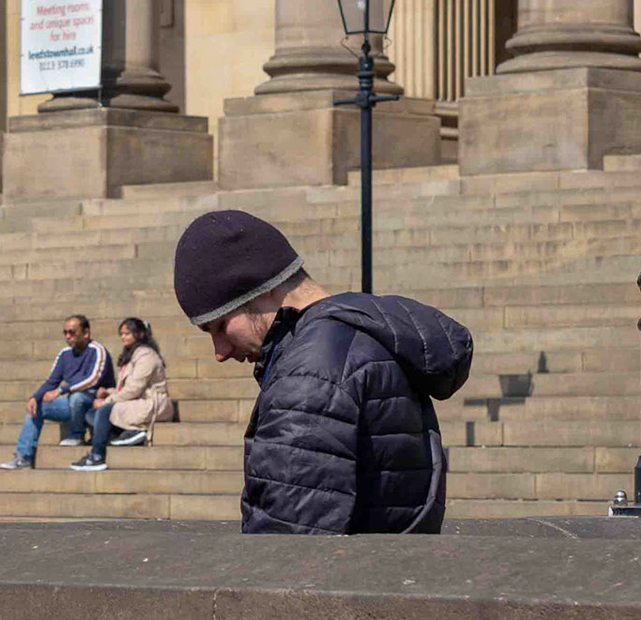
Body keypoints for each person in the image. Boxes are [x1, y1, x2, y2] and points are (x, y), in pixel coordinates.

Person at [173, 209, 473, 533]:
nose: (220, 352)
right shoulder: (363, 339)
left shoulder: (311, 374)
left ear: (259, 289)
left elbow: (286, 546)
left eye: (219, 326)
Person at [0, 314, 114, 468]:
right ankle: (24, 456)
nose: (68, 336)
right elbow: (51, 380)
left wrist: (61, 390)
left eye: (72, 332)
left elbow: (92, 379)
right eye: (65, 332)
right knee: (37, 408)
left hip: (93, 403)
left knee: (77, 398)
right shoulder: (64, 354)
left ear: (86, 333)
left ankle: (77, 435)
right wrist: (35, 397)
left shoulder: (97, 350)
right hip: (71, 403)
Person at [72, 317, 175, 471]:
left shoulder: (147, 356)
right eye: (121, 334)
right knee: (91, 414)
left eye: (127, 333)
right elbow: (126, 389)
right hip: (136, 402)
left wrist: (107, 401)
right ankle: (130, 432)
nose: (123, 337)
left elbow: (134, 389)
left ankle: (97, 455)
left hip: (152, 405)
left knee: (105, 410)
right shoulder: (132, 355)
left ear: (139, 334)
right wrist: (108, 392)